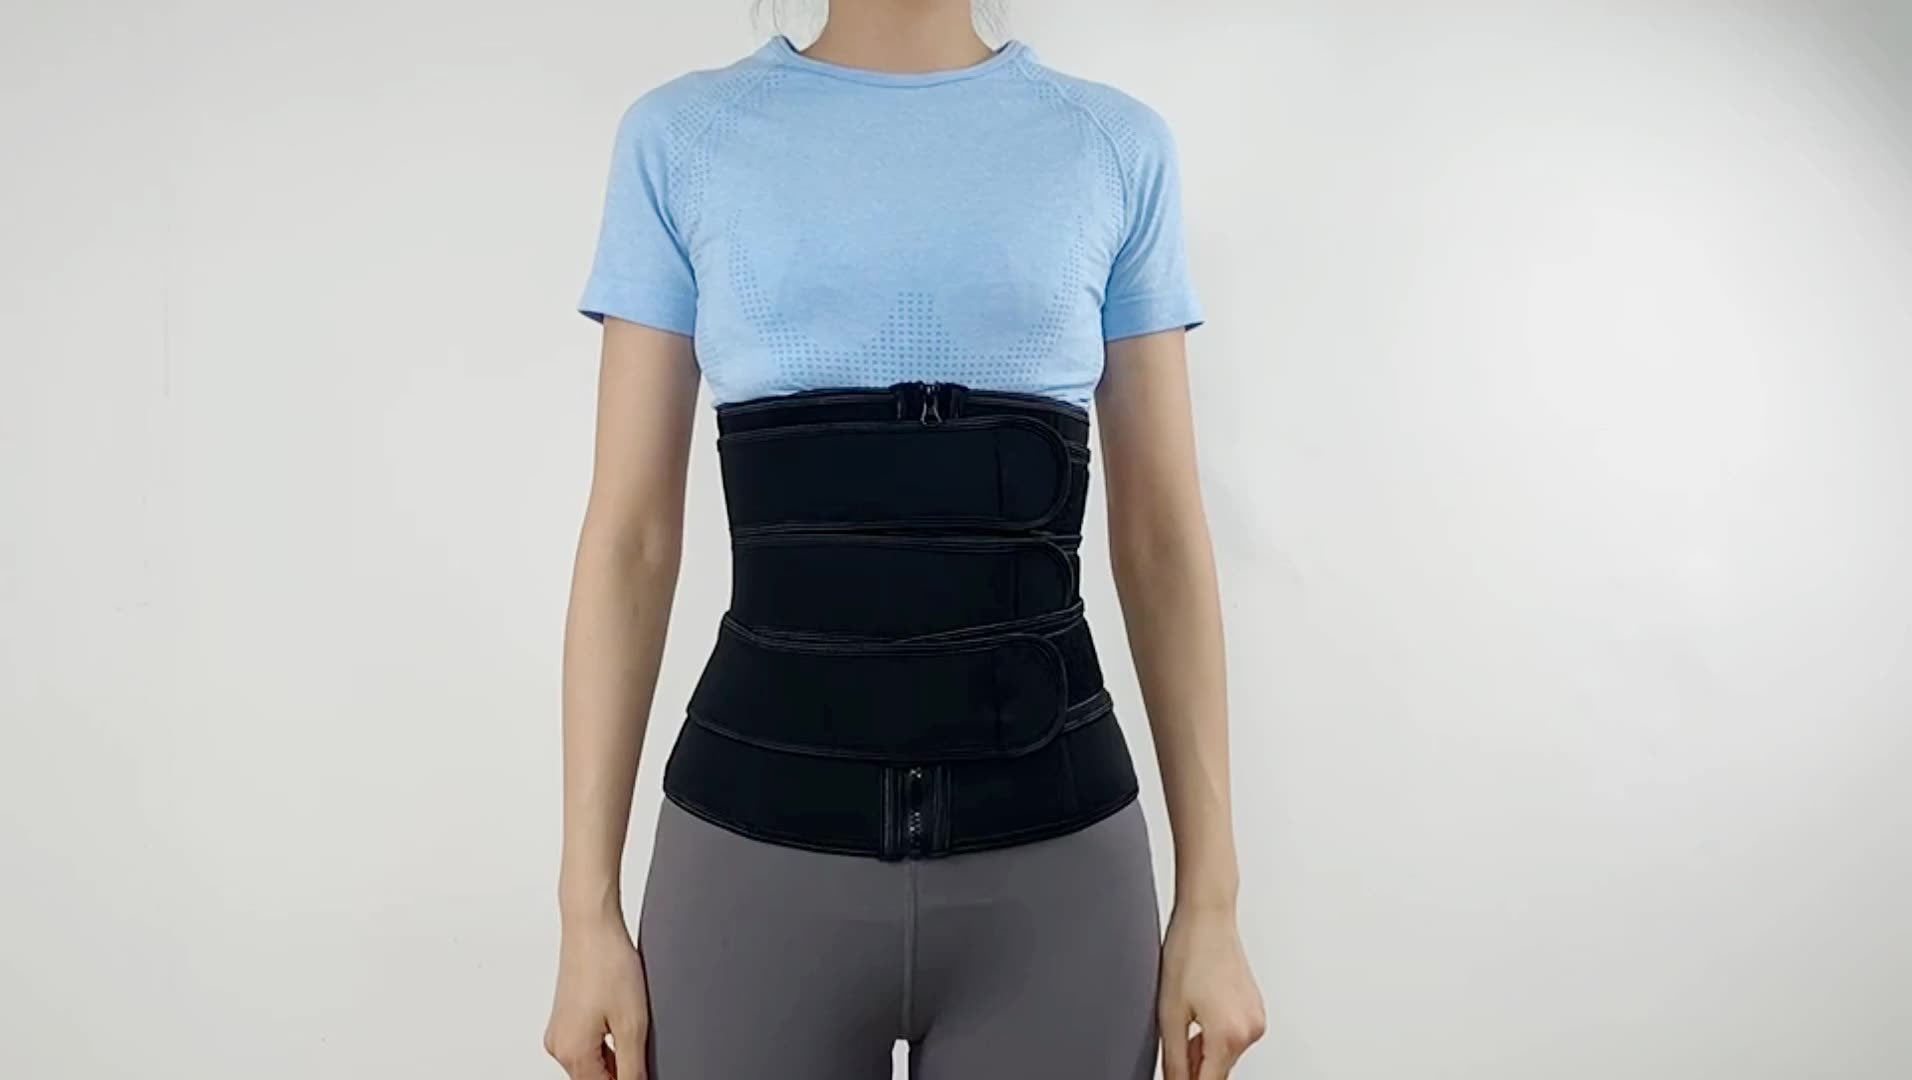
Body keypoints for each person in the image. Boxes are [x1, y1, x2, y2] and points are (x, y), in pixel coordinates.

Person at [542, 2, 1265, 1077]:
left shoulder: (1111, 147)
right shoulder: (684, 139)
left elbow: (1160, 537)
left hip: (1054, 885)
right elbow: (631, 540)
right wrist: (584, 914)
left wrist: (1212, 901)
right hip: (754, 868)